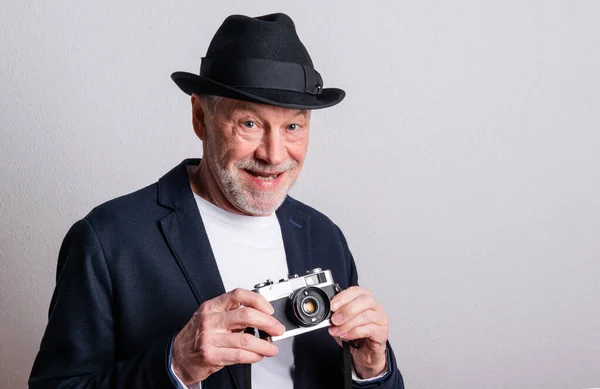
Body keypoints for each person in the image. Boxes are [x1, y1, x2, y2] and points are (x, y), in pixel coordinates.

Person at [29, 13, 404, 389]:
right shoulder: (108, 239)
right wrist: (175, 365)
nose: (274, 155)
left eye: (293, 126)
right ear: (200, 118)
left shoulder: (324, 236)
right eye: (249, 123)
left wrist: (372, 369)